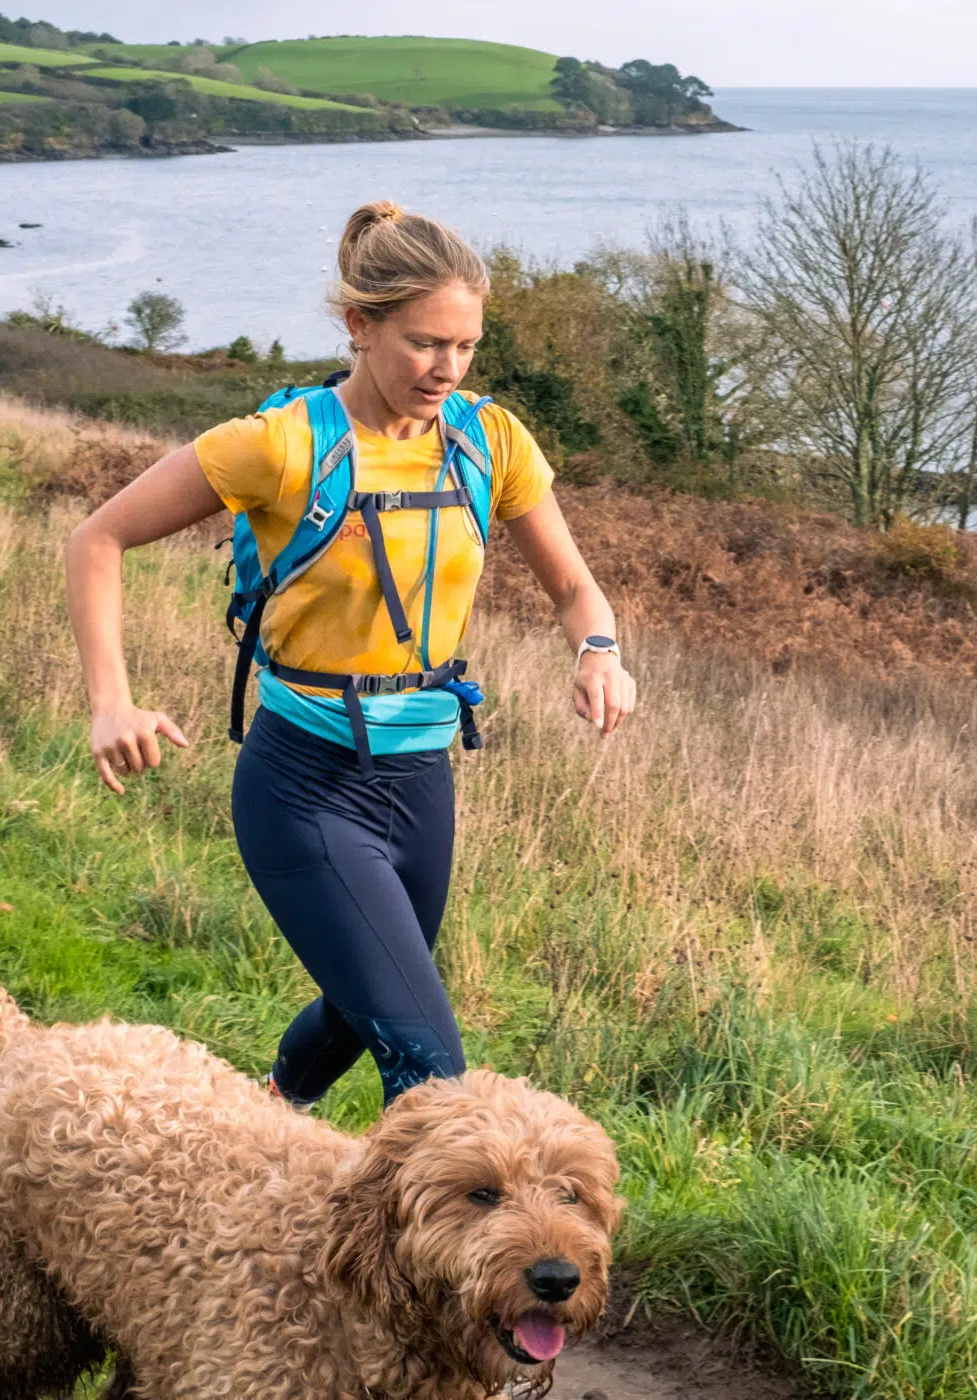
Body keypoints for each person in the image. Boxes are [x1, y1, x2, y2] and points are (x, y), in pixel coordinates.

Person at [66, 200, 635, 1110]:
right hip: (304, 784)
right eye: (424, 343)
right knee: (431, 1066)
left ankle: (261, 1127)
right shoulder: (282, 446)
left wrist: (598, 651)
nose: (446, 369)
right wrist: (112, 701)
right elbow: (97, 540)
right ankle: (418, 1254)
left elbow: (575, 591)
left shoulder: (488, 442)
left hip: (420, 779)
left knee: (357, 1007)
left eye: (466, 346)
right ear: (359, 326)